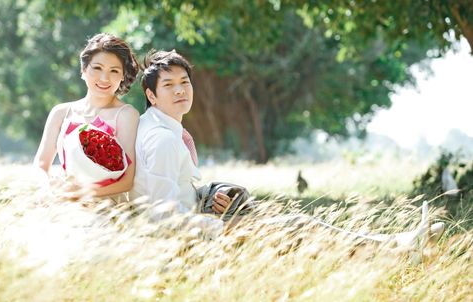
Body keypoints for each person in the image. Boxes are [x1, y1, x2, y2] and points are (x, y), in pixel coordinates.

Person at [129, 49, 445, 247]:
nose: (181, 90)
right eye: (168, 85)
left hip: (200, 227)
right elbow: (164, 217)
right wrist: (217, 225)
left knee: (289, 221)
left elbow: (168, 193)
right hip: (193, 242)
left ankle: (393, 244)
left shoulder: (155, 126)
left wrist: (206, 195)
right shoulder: (163, 139)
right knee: (299, 226)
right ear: (152, 95)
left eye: (184, 81)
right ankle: (395, 247)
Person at [33, 33, 140, 202]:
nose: (104, 78)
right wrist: (51, 188)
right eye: (97, 68)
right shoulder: (61, 113)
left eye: (114, 71)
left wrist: (80, 193)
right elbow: (40, 165)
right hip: (62, 203)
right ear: (83, 70)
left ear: (122, 77)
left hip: (106, 210)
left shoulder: (127, 115)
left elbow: (127, 181)